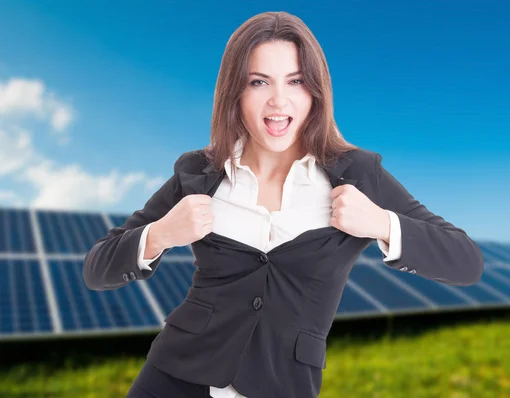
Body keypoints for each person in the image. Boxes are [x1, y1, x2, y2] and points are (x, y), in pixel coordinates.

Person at [83, 11, 484, 398]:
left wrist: (382, 223)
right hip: (172, 379)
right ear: (235, 92)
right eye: (259, 82)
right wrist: (160, 235)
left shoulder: (358, 174)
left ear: (315, 92)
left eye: (295, 81)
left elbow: (466, 262)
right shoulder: (199, 173)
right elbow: (97, 268)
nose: (278, 101)